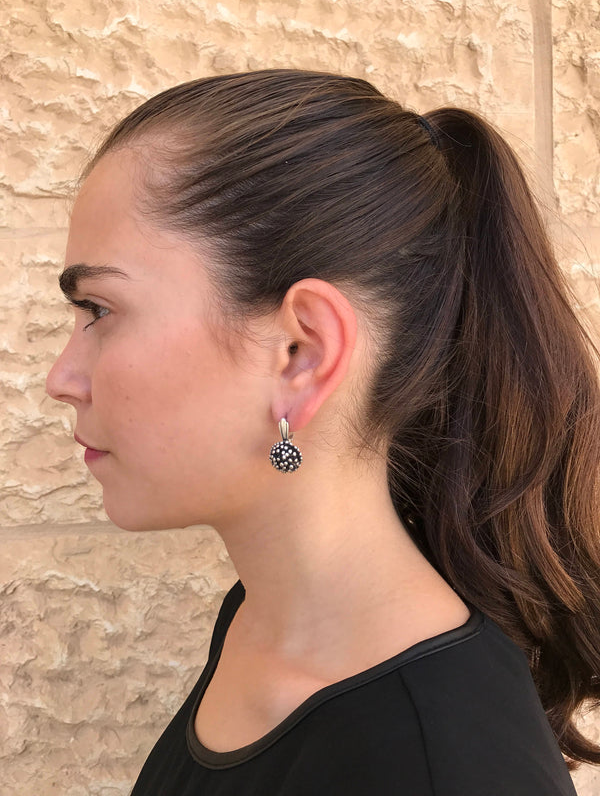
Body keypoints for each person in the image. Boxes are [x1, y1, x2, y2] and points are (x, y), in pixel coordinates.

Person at [45, 69, 600, 795]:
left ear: (301, 353)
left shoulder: (446, 767)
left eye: (98, 310)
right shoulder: (261, 618)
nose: (61, 377)